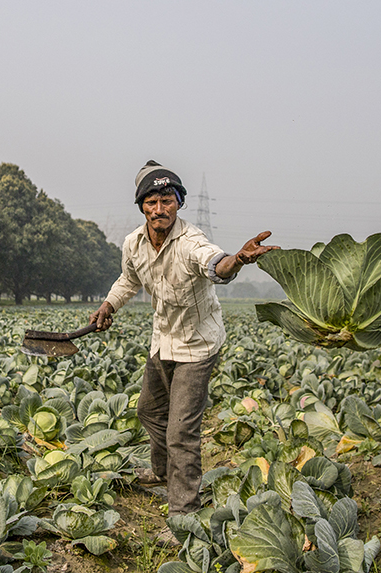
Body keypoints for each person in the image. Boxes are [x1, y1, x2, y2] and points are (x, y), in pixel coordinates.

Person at [90, 160, 278, 518]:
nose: (159, 209)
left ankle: (184, 513)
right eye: (151, 202)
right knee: (148, 411)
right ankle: (162, 472)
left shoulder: (191, 242)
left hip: (197, 344)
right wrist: (108, 304)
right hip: (163, 339)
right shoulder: (134, 243)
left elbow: (216, 265)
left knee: (181, 431)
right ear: (142, 206)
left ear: (179, 203)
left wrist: (237, 259)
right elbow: (128, 280)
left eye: (167, 200)